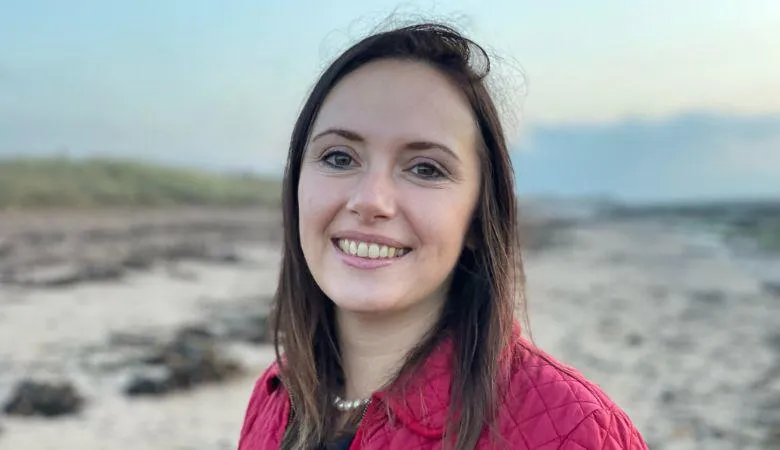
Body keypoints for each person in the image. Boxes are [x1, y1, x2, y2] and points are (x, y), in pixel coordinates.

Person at [237, 22, 648, 450]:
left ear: (475, 217)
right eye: (339, 157)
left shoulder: (576, 430)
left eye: (425, 168)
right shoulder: (276, 393)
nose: (371, 200)